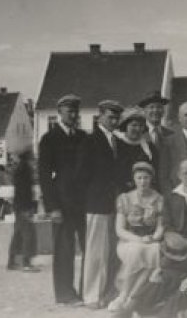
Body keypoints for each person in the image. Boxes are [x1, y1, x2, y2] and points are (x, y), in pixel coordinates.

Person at [38, 93, 88, 305]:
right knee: (64, 249)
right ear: (59, 113)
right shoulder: (49, 139)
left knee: (89, 247)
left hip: (84, 202)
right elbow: (44, 176)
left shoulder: (83, 137)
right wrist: (52, 207)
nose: (73, 115)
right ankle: (65, 294)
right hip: (62, 202)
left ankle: (88, 290)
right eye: (69, 110)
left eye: (76, 111)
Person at [77, 99, 125, 309]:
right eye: (110, 117)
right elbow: (81, 173)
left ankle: (104, 291)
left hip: (112, 203)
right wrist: (90, 197)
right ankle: (90, 295)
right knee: (96, 251)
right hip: (96, 203)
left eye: (116, 118)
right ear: (100, 116)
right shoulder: (90, 141)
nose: (113, 121)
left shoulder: (116, 141)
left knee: (108, 251)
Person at [110, 162, 165, 313]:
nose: (142, 182)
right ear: (134, 179)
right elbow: (119, 230)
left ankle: (133, 297)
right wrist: (138, 239)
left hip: (150, 239)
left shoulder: (158, 199)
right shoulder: (125, 198)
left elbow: (161, 226)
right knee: (136, 251)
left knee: (155, 250)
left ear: (151, 179)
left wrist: (154, 237)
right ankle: (124, 295)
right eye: (139, 178)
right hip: (128, 241)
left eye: (146, 178)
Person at [8, 149, 39, 272]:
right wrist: (29, 207)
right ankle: (26, 263)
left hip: (19, 205)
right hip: (24, 206)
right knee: (28, 234)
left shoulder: (20, 169)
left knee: (18, 234)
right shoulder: (25, 169)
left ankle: (12, 261)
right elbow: (25, 191)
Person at [116, 109, 159, 192]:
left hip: (145, 191)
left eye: (140, 126)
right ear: (126, 126)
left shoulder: (149, 147)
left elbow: (155, 170)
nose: (138, 129)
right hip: (121, 191)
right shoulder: (117, 145)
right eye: (134, 125)